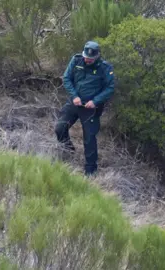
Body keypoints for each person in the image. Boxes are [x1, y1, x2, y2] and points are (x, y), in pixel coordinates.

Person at [54, 41, 115, 176]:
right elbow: (67, 78)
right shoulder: (76, 60)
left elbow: (110, 88)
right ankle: (68, 149)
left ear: (97, 56)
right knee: (60, 128)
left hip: (91, 107)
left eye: (90, 58)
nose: (87, 60)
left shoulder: (105, 68)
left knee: (89, 138)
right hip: (75, 102)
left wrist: (95, 101)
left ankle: (90, 170)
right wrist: (74, 96)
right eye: (86, 57)